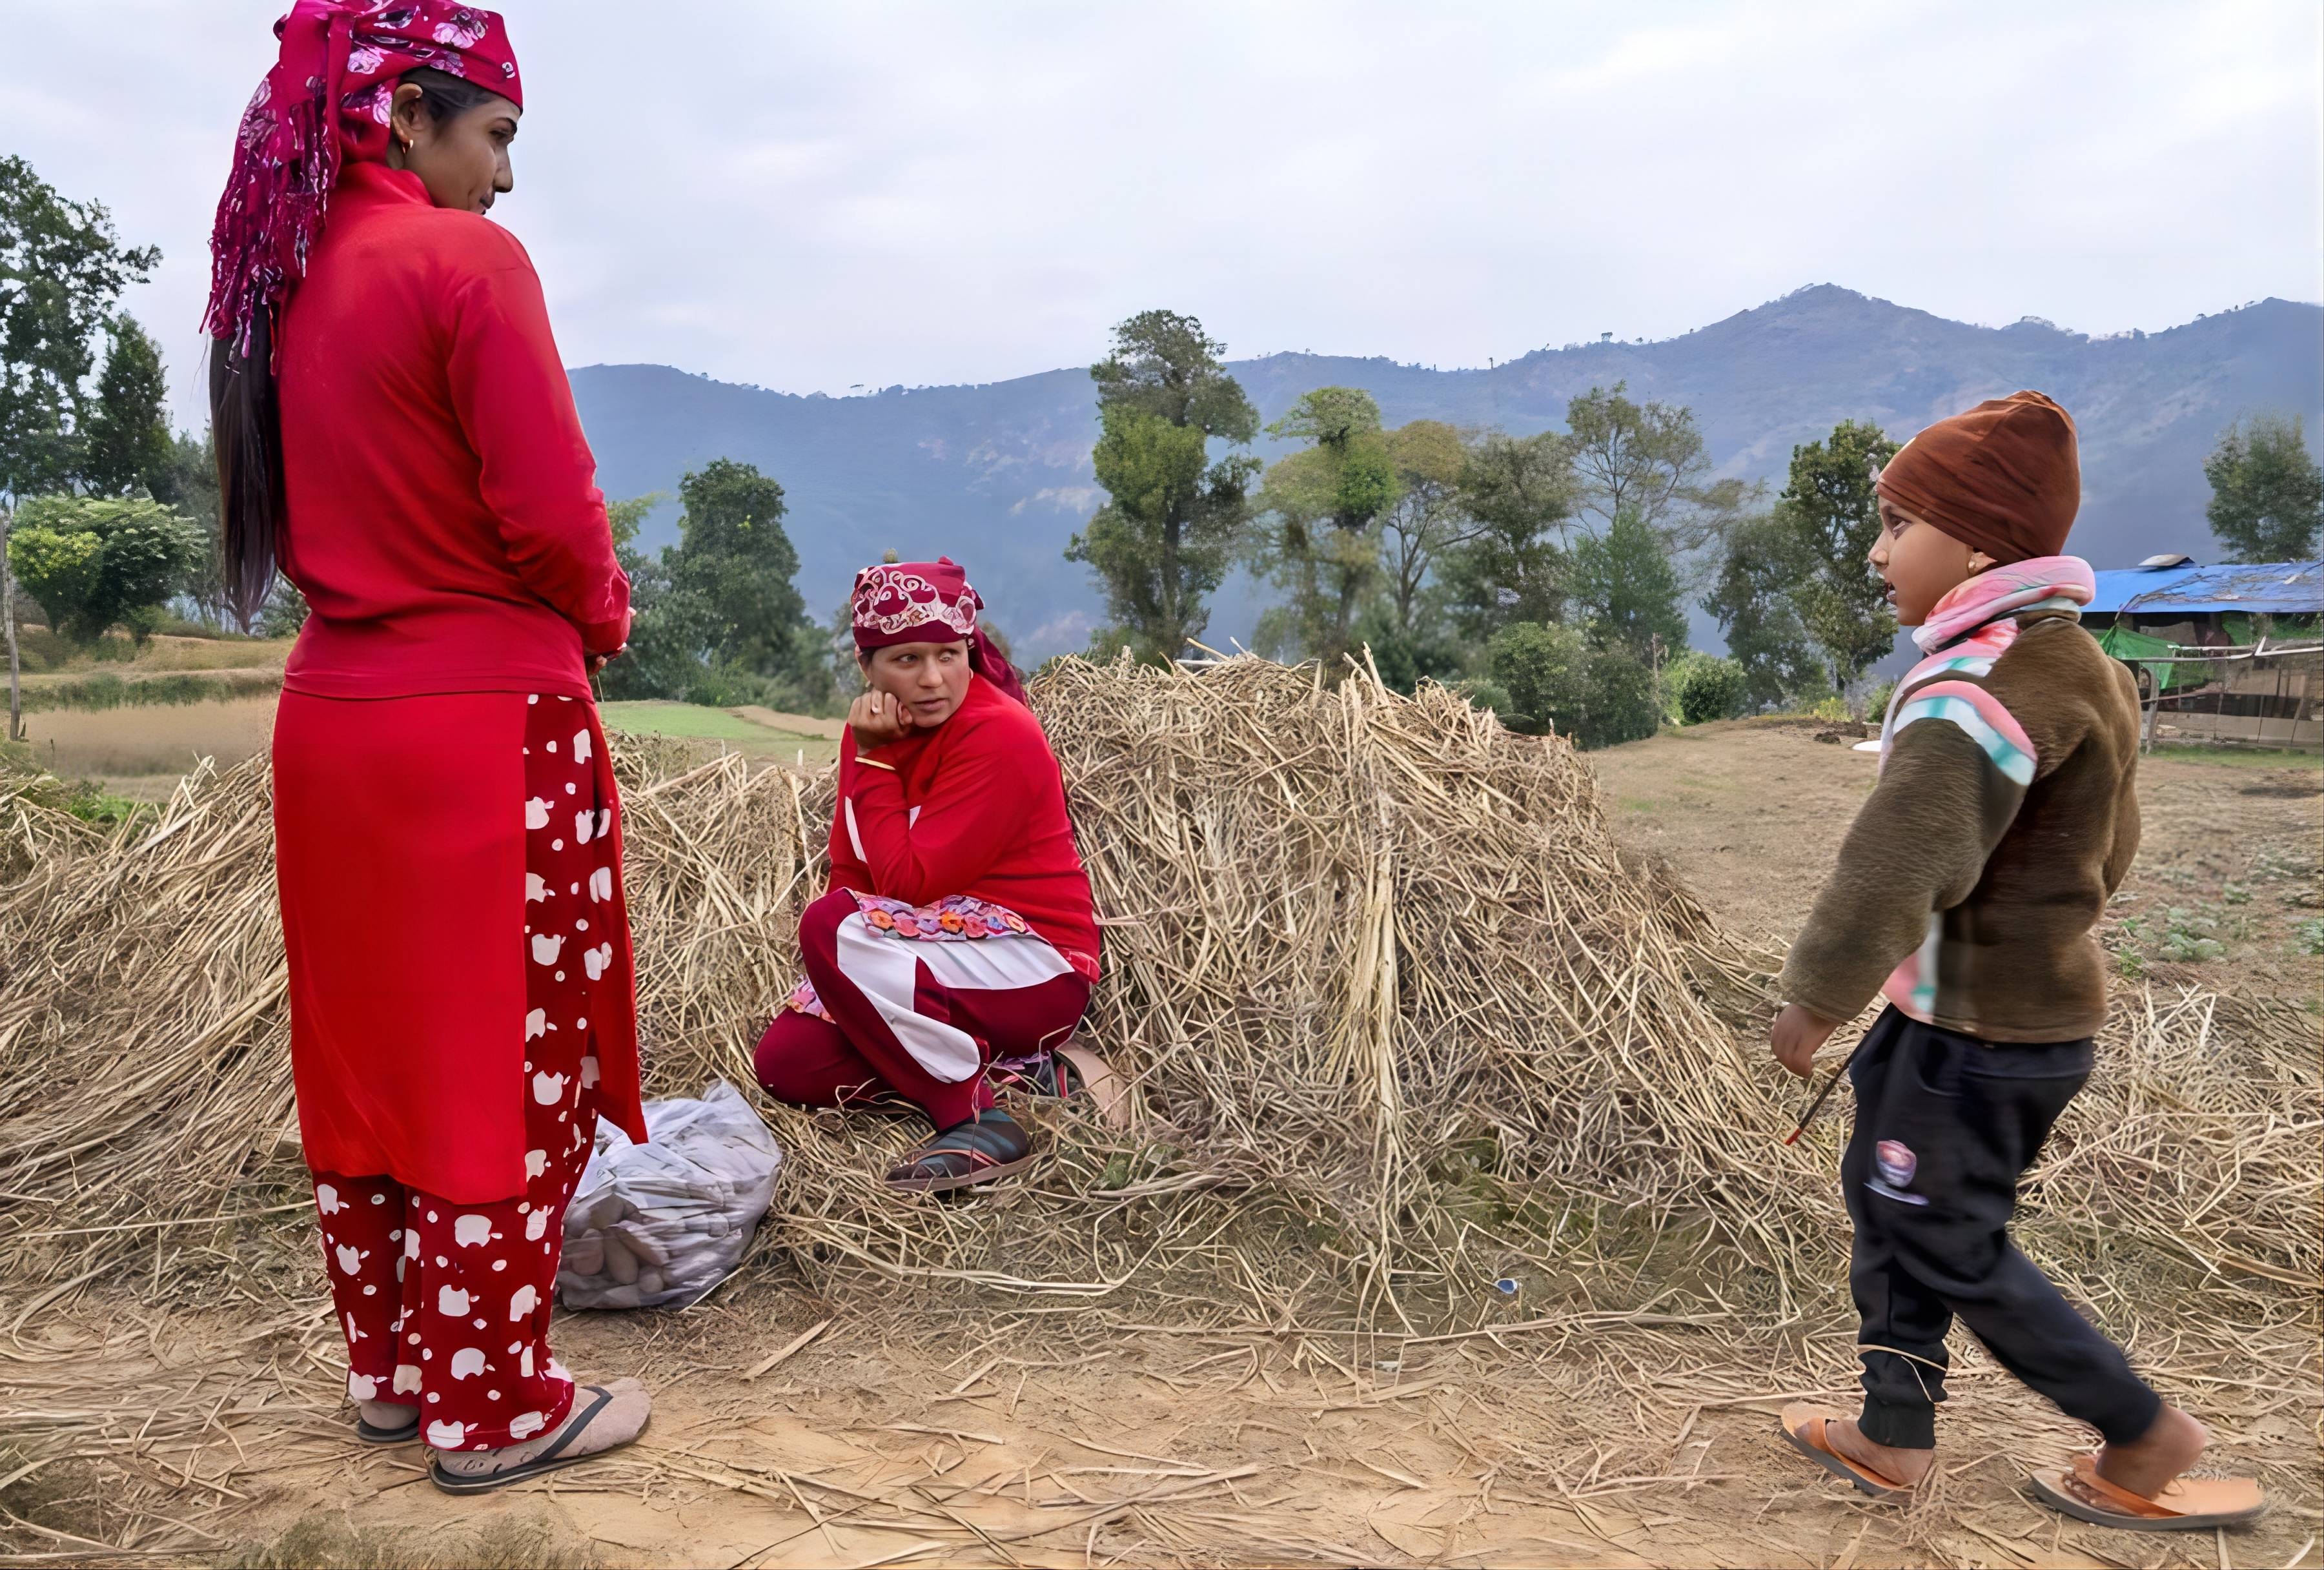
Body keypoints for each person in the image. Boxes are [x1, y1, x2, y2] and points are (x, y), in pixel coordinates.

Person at [207, 0, 650, 1494]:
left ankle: (396, 1373)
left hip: (331, 724)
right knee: (497, 1058)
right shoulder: (466, 265)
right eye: (497, 136)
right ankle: (496, 1404)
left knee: (372, 1055)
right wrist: (604, 604)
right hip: (482, 723)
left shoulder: (285, 286)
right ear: (406, 117)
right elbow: (546, 508)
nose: (507, 178)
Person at [1767, 393, 2263, 1530]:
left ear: (1978, 544)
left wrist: (1814, 999)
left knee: (1943, 1232)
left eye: (1899, 525)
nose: (1878, 550)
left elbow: (1893, 861)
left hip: (1971, 1037)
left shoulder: (1971, 689)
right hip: (2001, 1023)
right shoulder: (2077, 663)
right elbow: (2108, 845)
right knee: (1888, 1202)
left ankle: (2143, 1434)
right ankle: (1892, 1432)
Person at [753, 558, 1114, 1191]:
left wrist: (875, 761)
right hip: (926, 952)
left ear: (970, 650)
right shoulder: (868, 730)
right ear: (865, 665)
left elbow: (907, 885)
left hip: (1035, 964)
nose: (932, 679)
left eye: (949, 654)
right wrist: (842, 983)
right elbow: (852, 869)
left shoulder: (1001, 733)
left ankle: (979, 1120)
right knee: (789, 1063)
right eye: (906, 658)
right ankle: (1020, 1073)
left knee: (831, 923)